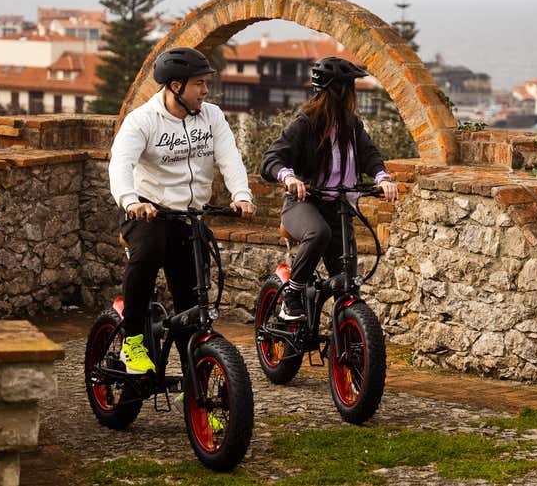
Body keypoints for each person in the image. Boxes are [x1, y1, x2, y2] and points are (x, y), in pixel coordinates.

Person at [109, 47, 256, 374]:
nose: (206, 90)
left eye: (206, 83)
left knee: (193, 301)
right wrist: (131, 201)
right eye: (199, 83)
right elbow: (120, 164)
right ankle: (132, 341)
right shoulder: (142, 121)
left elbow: (229, 157)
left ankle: (194, 379)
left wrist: (241, 195)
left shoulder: (212, 116)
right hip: (148, 211)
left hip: (189, 216)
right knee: (147, 253)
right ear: (176, 86)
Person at [260, 56, 398, 322]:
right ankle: (292, 296)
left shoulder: (351, 124)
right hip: (304, 204)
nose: (353, 94)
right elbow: (271, 159)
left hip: (340, 209)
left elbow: (369, 154)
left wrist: (382, 178)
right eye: (350, 88)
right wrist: (289, 178)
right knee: (318, 232)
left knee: (348, 286)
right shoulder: (305, 122)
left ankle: (349, 337)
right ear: (339, 91)